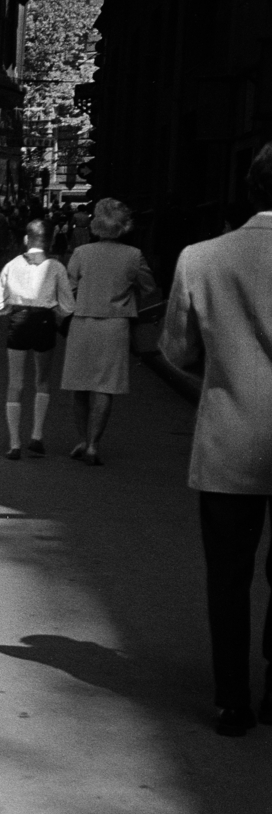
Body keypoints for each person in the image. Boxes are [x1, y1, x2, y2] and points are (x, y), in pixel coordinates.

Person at [159, 143, 272, 737]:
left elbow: (175, 350)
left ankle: (232, 698)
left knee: (228, 573)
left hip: (230, 435)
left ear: (252, 188)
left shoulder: (201, 258)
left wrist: (227, 376)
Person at [61, 198, 158, 466]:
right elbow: (149, 289)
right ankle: (93, 444)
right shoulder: (133, 255)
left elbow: (68, 289)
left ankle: (82, 438)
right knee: (104, 386)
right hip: (116, 324)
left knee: (78, 385)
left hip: (83, 321)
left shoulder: (82, 253)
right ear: (124, 226)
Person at [0, 219, 74, 459]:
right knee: (43, 380)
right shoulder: (56, 267)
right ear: (48, 241)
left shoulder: (12, 264)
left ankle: (14, 443)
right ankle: (37, 436)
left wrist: (10, 309)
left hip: (18, 321)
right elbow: (68, 306)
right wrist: (53, 309)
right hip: (44, 321)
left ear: (26, 239)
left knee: (15, 382)